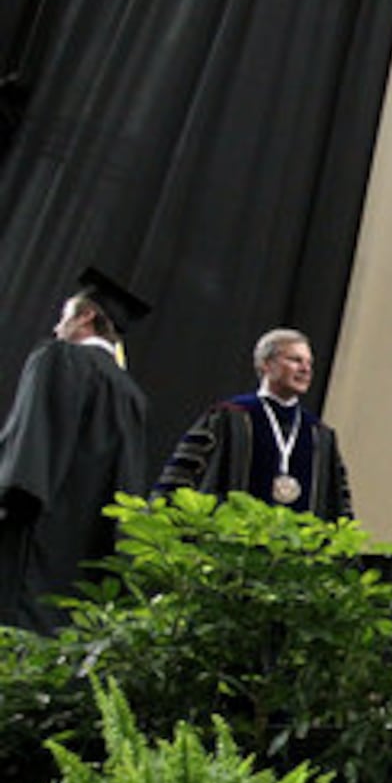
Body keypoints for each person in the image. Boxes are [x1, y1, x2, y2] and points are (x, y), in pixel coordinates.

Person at [0, 269, 150, 632]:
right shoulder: (132, 393)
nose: (56, 328)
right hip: (86, 551)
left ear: (85, 316)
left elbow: (29, 450)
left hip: (35, 535)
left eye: (62, 316)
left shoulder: (57, 358)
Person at [154, 328, 353, 521]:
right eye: (295, 360)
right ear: (266, 364)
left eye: (309, 363)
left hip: (296, 551)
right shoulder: (229, 417)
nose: (305, 369)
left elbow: (338, 505)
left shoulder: (319, 434)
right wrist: (160, 520)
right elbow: (181, 476)